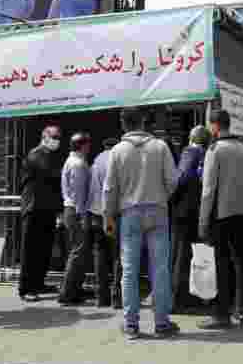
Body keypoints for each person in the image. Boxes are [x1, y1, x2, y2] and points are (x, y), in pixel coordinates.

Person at [104, 107, 179, 340]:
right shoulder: (160, 146)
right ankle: (162, 323)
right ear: (143, 122)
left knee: (129, 269)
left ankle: (131, 325)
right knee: (160, 268)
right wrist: (160, 197)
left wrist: (108, 216)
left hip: (130, 213)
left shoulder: (117, 151)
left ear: (123, 124)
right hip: (158, 211)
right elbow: (173, 181)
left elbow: (110, 188)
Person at [198, 109, 243, 330]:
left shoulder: (215, 150)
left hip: (219, 214)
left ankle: (221, 314)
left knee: (220, 263)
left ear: (214, 126)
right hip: (240, 212)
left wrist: (203, 219)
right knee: (240, 261)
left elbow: (208, 190)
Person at [18, 125, 64, 302]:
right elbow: (49, 172)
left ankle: (38, 283)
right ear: (44, 136)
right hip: (34, 208)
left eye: (58, 137)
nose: (57, 140)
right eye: (54, 136)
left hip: (47, 208)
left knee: (44, 249)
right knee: (31, 250)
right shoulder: (36, 154)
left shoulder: (50, 155)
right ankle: (26, 288)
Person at [170, 125, 210, 313]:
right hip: (199, 211)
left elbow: (181, 178)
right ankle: (195, 296)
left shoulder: (190, 152)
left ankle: (179, 299)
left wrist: (173, 198)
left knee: (181, 255)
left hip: (184, 212)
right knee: (196, 255)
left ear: (191, 138)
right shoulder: (207, 153)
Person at [58, 133, 93, 306]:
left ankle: (74, 291)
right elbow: (79, 192)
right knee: (77, 252)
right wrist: (83, 214)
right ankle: (67, 293)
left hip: (70, 210)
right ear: (82, 145)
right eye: (88, 144)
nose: (90, 147)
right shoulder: (78, 164)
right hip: (76, 211)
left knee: (76, 252)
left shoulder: (70, 161)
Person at [88, 137, 119, 308]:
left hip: (97, 214)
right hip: (114, 214)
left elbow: (92, 190)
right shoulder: (117, 159)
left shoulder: (96, 162)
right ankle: (117, 296)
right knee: (117, 254)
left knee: (99, 254)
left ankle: (101, 297)